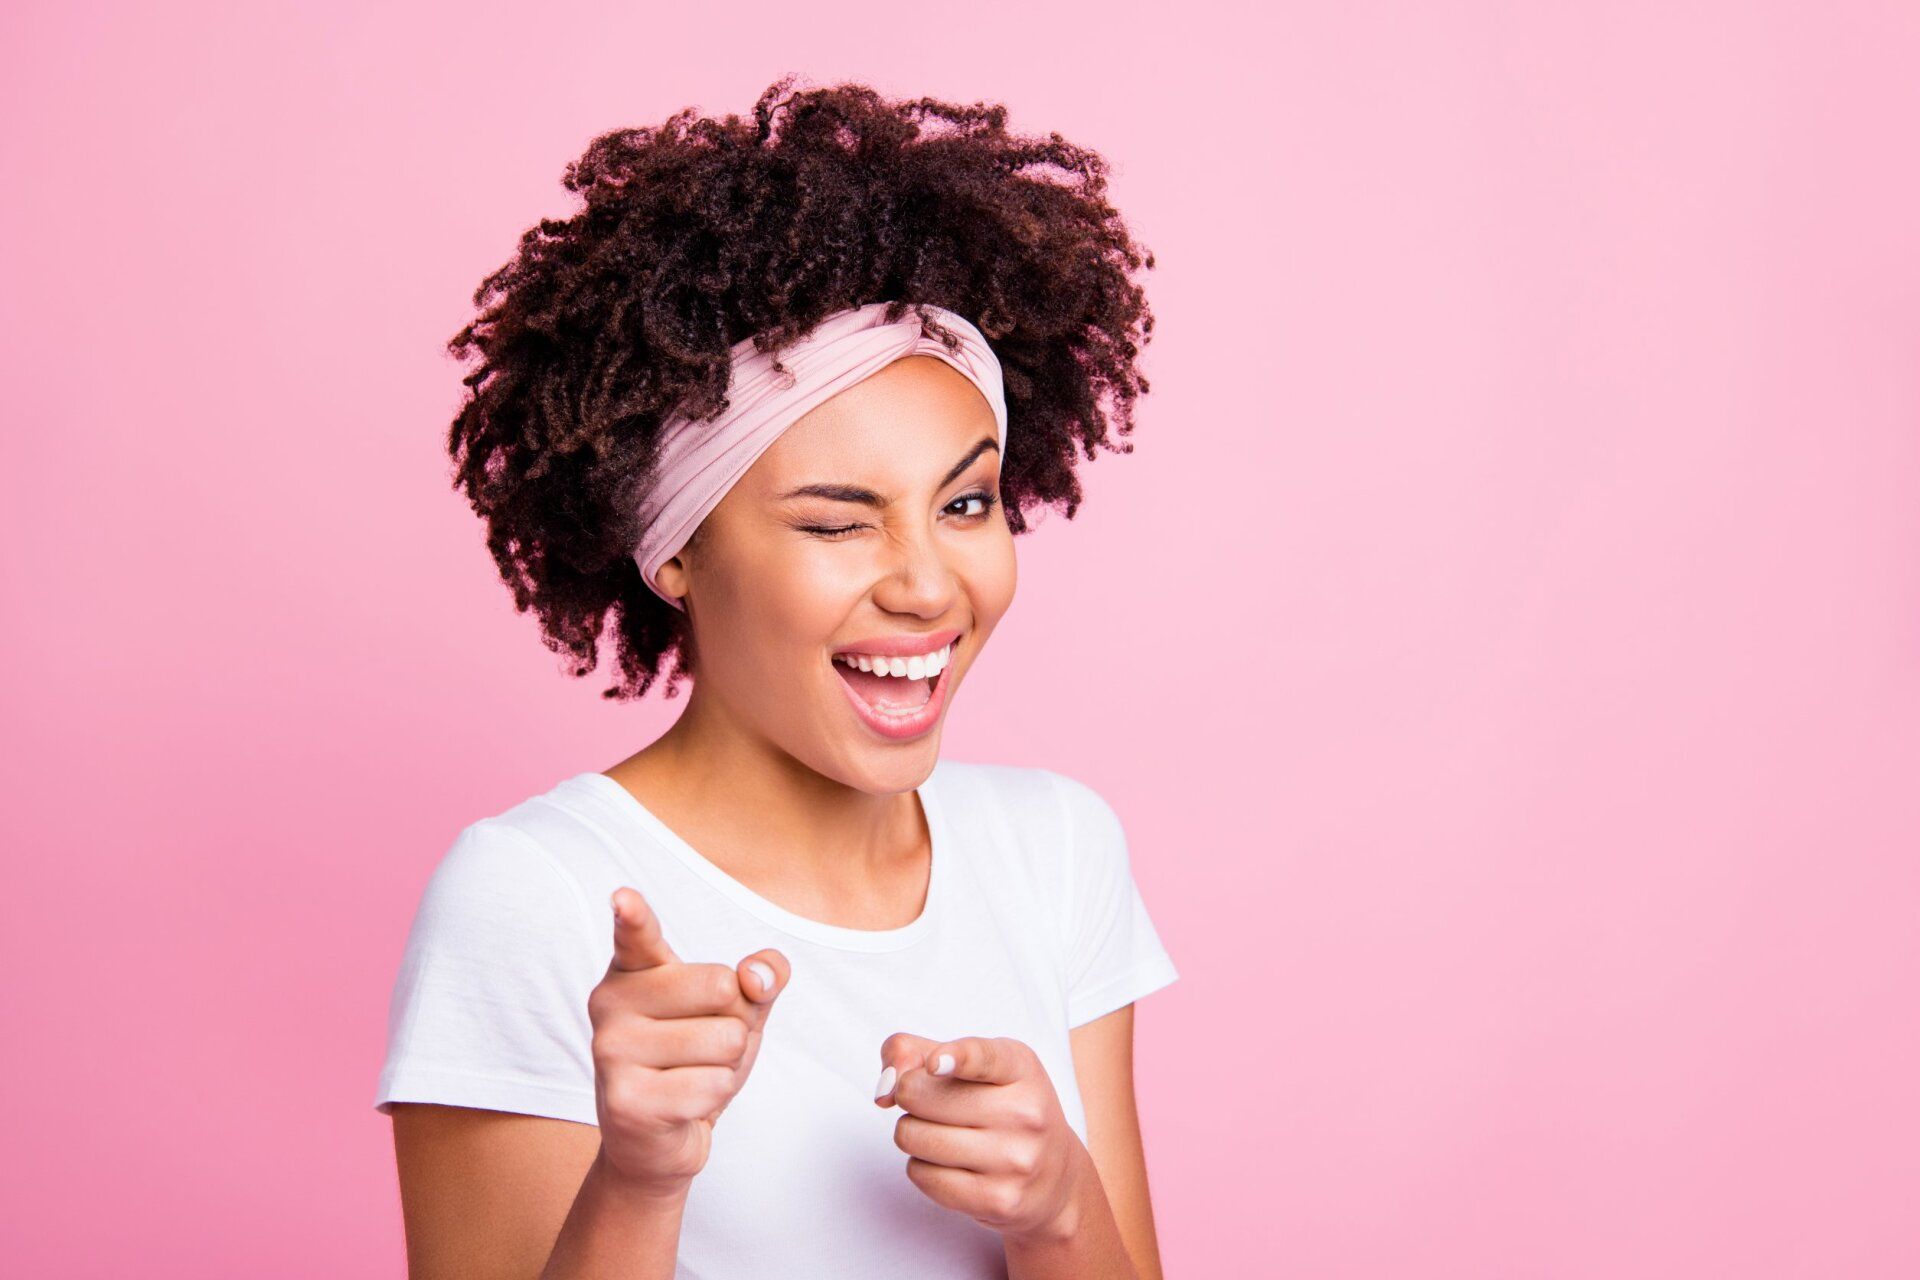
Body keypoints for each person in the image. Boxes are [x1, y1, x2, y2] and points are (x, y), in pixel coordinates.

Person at [374, 76, 1177, 1279]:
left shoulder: (1056, 850)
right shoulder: (538, 894)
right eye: (836, 524)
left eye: (965, 504)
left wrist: (1059, 1209)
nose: (925, 585)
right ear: (679, 554)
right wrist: (638, 1175)